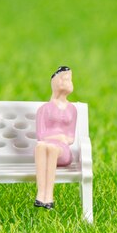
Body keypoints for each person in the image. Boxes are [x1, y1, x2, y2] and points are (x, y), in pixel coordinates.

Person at [34, 66, 77, 209]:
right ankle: (41, 195)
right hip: (46, 145)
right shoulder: (44, 109)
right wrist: (59, 136)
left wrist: (60, 138)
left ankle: (49, 196)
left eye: (69, 79)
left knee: (51, 148)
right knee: (41, 147)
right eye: (65, 79)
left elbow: (70, 138)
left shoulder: (72, 109)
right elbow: (41, 136)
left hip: (62, 151)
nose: (68, 82)